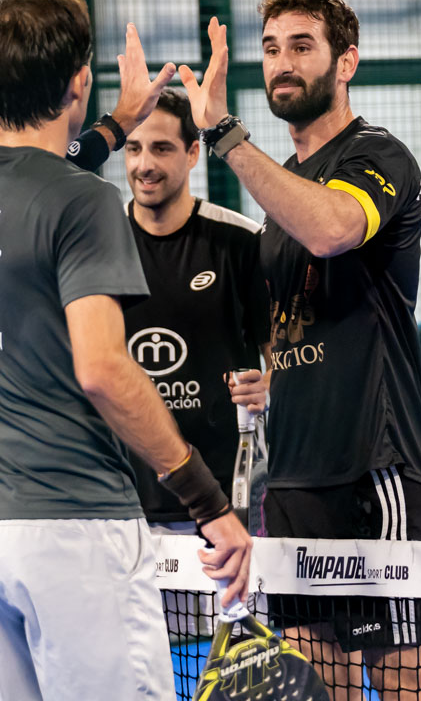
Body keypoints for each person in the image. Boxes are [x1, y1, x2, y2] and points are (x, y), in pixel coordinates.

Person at [0, 0, 252, 701]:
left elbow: (43, 177)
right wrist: (208, 502)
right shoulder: (88, 202)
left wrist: (115, 123)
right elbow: (103, 369)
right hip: (69, 532)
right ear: (77, 82)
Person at [179, 0, 421, 700]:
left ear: (346, 61)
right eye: (271, 49)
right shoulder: (283, 189)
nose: (283, 64)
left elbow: (332, 230)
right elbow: (300, 320)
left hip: (376, 471)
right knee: (317, 687)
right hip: (296, 479)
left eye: (302, 46)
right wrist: (273, 377)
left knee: (404, 683)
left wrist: (225, 136)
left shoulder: (379, 156)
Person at [120, 87, 270, 536]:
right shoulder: (96, 244)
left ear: (192, 154)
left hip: (224, 506)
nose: (144, 164)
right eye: (133, 148)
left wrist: (270, 387)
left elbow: (282, 357)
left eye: (161, 148)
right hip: (122, 508)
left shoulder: (241, 242)